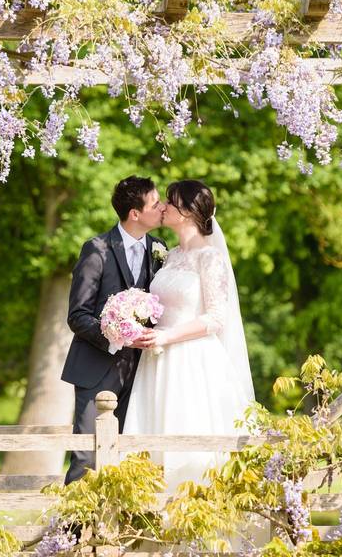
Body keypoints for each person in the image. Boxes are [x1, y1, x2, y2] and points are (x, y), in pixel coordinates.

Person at [123, 179, 255, 490]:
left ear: (185, 212)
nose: (163, 207)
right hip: (157, 361)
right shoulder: (169, 255)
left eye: (169, 201)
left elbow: (216, 319)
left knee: (188, 443)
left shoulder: (210, 258)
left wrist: (167, 338)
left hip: (192, 362)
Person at [61, 175, 166, 484]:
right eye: (155, 203)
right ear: (135, 213)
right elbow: (77, 316)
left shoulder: (160, 248)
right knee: (87, 461)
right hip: (97, 368)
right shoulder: (97, 250)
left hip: (145, 372)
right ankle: (71, 533)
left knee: (134, 460)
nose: (162, 207)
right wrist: (116, 336)